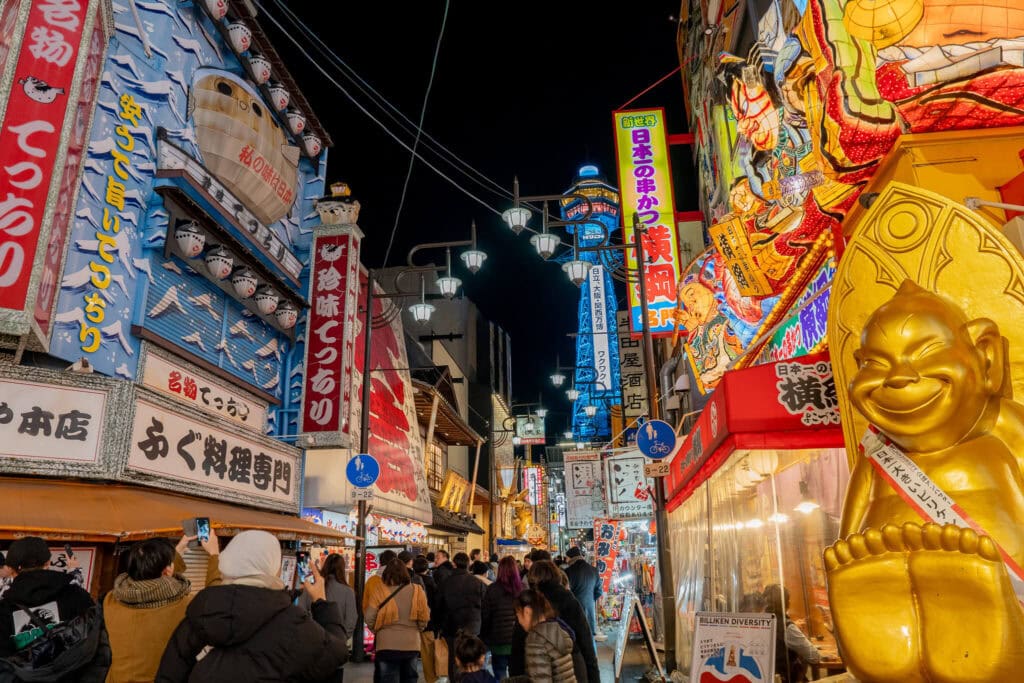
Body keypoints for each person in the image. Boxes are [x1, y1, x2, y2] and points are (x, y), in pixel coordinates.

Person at [155, 529, 347, 681]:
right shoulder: (294, 622)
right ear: (272, 567)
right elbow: (336, 653)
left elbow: (171, 671)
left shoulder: (203, 612)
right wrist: (321, 602)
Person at [104, 533, 220, 683]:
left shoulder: (111, 601)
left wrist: (177, 552)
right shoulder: (186, 608)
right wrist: (214, 554)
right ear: (167, 571)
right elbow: (215, 603)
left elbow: (153, 585)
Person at [0, 536, 110, 681]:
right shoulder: (77, 595)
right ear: (48, 563)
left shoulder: (3, 609)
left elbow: (4, 666)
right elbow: (98, 643)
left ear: (12, 570)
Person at [522, 560, 599, 683]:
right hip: (573, 667)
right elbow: (586, 641)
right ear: (556, 575)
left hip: (535, 669)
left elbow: (518, 644)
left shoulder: (529, 602)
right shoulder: (568, 598)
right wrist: (594, 678)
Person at [364, 558, 430, 683]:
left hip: (386, 644)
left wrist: (378, 630)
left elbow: (369, 617)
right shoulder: (417, 590)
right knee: (409, 679)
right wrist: (417, 629)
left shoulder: (379, 589)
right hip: (411, 644)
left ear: (386, 573)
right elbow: (424, 616)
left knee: (387, 679)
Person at [298, 553, 358, 680]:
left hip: (312, 645)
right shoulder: (348, 591)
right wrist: (341, 637)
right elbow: (352, 619)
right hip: (336, 648)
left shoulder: (311, 589)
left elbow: (301, 611)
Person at [515, 589, 584, 683]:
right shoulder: (557, 629)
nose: (519, 621)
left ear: (527, 611)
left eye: (518, 614)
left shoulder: (536, 639)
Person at [436, 552, 486, 676]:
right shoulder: (477, 582)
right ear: (468, 564)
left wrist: (439, 626)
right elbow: (485, 604)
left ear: (454, 564)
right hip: (473, 626)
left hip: (451, 627)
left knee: (454, 658)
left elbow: (438, 605)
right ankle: (474, 678)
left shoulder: (445, 583)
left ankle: (456, 680)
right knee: (474, 655)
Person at [763, 584, 820, 683]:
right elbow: (814, 657)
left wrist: (792, 627)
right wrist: (792, 629)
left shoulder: (760, 622)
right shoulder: (788, 628)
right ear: (787, 603)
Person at [481, 556, 522, 681]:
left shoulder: (492, 589)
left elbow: (486, 616)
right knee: (518, 675)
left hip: (498, 640)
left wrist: (485, 636)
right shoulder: (522, 589)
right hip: (518, 640)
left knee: (500, 674)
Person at [564, 547, 602, 640]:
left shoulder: (568, 572)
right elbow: (599, 591)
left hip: (574, 610)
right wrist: (590, 600)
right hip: (590, 609)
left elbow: (566, 592)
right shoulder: (594, 570)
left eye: (566, 558)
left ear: (570, 558)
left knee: (576, 639)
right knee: (590, 638)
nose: (565, 560)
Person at [413, 556, 440, 683]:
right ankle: (431, 680)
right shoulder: (431, 582)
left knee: (410, 654)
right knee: (428, 656)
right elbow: (436, 604)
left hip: (411, 623)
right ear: (426, 568)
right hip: (428, 624)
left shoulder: (409, 582)